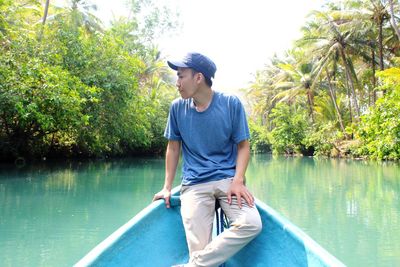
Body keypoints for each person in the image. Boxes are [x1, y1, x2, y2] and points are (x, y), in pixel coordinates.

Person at [153, 52, 262, 267]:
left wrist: (238, 180)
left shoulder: (231, 103)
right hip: (195, 184)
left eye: (181, 76)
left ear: (198, 78)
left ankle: (193, 265)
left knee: (251, 223)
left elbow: (243, 146)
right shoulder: (177, 108)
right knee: (200, 248)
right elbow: (173, 148)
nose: (177, 83)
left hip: (228, 180)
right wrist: (167, 187)